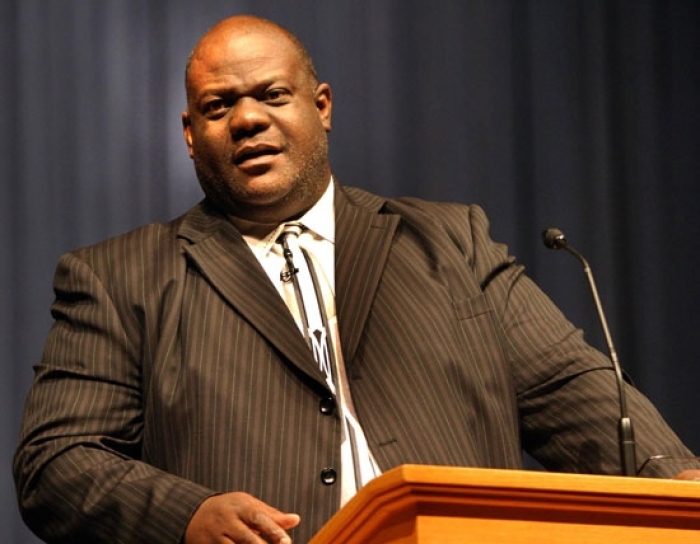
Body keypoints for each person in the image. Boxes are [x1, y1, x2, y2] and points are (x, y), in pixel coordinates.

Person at [13, 14, 700, 544]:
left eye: (271, 95)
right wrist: (185, 515)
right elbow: (57, 462)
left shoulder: (448, 240)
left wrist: (672, 477)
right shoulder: (119, 278)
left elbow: (566, 388)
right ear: (191, 135)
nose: (248, 118)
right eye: (219, 107)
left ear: (323, 106)